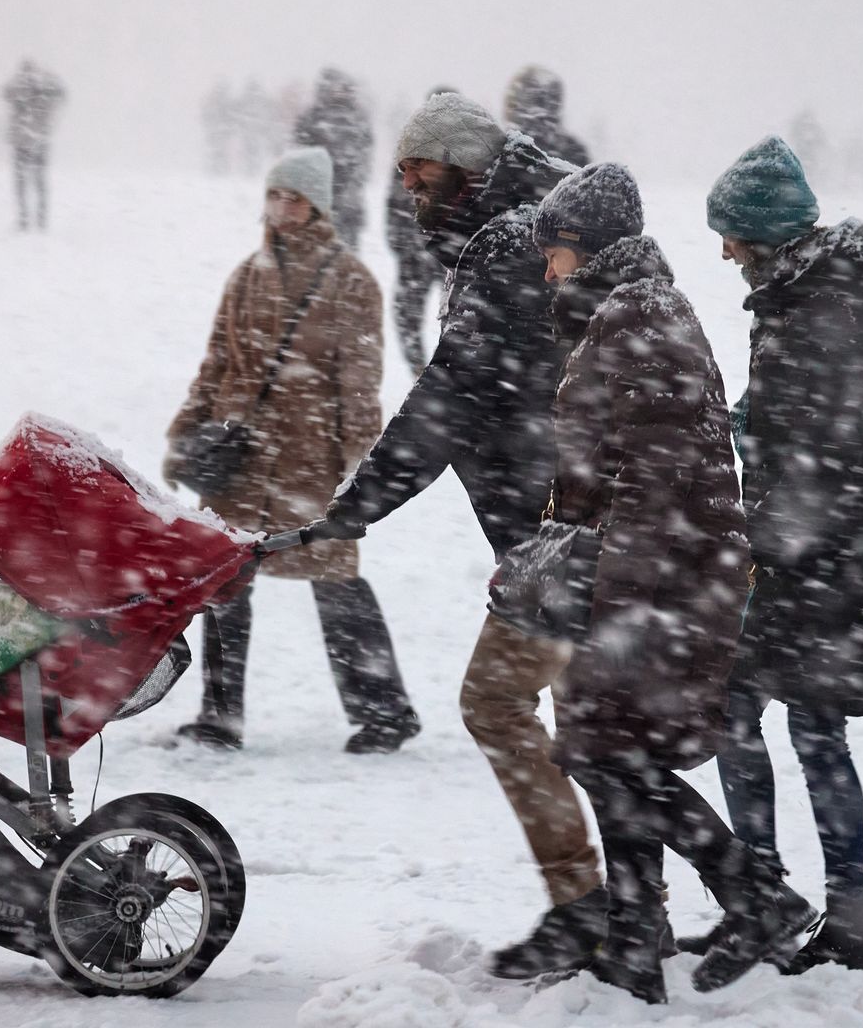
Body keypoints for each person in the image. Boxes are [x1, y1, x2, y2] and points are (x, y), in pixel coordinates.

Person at [308, 93, 605, 979]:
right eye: (399, 169)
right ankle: (619, 909)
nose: (406, 185)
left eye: (421, 167)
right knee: (586, 727)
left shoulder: (509, 244)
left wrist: (351, 510)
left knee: (505, 706)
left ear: (468, 166)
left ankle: (606, 908)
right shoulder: (519, 229)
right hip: (565, 526)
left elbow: (450, 399)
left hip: (561, 534)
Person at [517, 163, 816, 1001]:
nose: (550, 270)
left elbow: (658, 478)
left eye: (560, 252)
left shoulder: (640, 318)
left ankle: (755, 898)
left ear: (597, 248)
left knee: (608, 758)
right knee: (618, 753)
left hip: (657, 586)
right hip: (649, 578)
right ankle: (638, 940)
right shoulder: (626, 312)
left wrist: (613, 594)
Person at [701, 136, 863, 973]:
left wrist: (772, 534)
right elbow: (795, 423)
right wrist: (741, 425)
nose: (723, 252)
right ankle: (789, 900)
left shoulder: (818, 310)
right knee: (760, 719)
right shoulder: (804, 299)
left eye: (731, 235)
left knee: (784, 724)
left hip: (817, 559)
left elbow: (840, 443)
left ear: (765, 236)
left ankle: (809, 909)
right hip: (817, 552)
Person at [164, 146, 420, 755]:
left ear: (318, 206)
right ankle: (219, 715)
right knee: (224, 586)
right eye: (274, 195)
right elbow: (217, 363)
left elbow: (361, 386)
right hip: (240, 460)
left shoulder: (351, 281)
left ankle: (385, 713)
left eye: (294, 198)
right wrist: (187, 433)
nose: (281, 208)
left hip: (313, 463)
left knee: (336, 584)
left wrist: (361, 471)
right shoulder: (247, 275)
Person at [384, 85, 454, 375]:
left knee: (449, 316)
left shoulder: (463, 160)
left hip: (442, 252)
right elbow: (396, 203)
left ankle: (432, 371)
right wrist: (403, 245)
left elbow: (395, 204)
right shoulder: (412, 156)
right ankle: (424, 369)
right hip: (428, 251)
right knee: (410, 314)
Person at [293, 68, 374, 250]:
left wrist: (356, 180)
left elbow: (365, 154)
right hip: (320, 193)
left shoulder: (356, 117)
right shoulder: (313, 116)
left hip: (344, 195)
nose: (338, 91)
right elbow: (300, 154)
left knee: (345, 251)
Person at [3, 60, 65, 231]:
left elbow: (5, 93)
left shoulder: (18, 90)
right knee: (39, 182)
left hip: (22, 142)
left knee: (22, 183)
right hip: (39, 141)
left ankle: (24, 219)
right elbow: (61, 96)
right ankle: (41, 219)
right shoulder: (46, 91)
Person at [503, 66, 589, 167]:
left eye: (554, 102)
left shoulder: (574, 151)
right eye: (538, 100)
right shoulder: (500, 145)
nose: (544, 111)